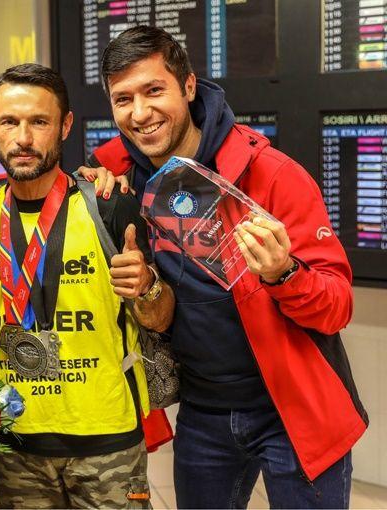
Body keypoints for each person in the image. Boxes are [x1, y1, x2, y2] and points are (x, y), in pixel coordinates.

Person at [94, 26, 367, 508]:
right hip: (203, 413)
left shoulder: (274, 175)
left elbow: (337, 307)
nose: (139, 113)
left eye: (154, 90)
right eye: (123, 99)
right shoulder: (120, 179)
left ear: (189, 86)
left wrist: (284, 274)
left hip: (292, 410)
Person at [0, 63, 175, 509]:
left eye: (39, 122)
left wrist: (147, 286)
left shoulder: (110, 204)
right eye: (9, 122)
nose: (23, 138)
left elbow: (162, 319)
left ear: (65, 125)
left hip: (108, 441)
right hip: (17, 441)